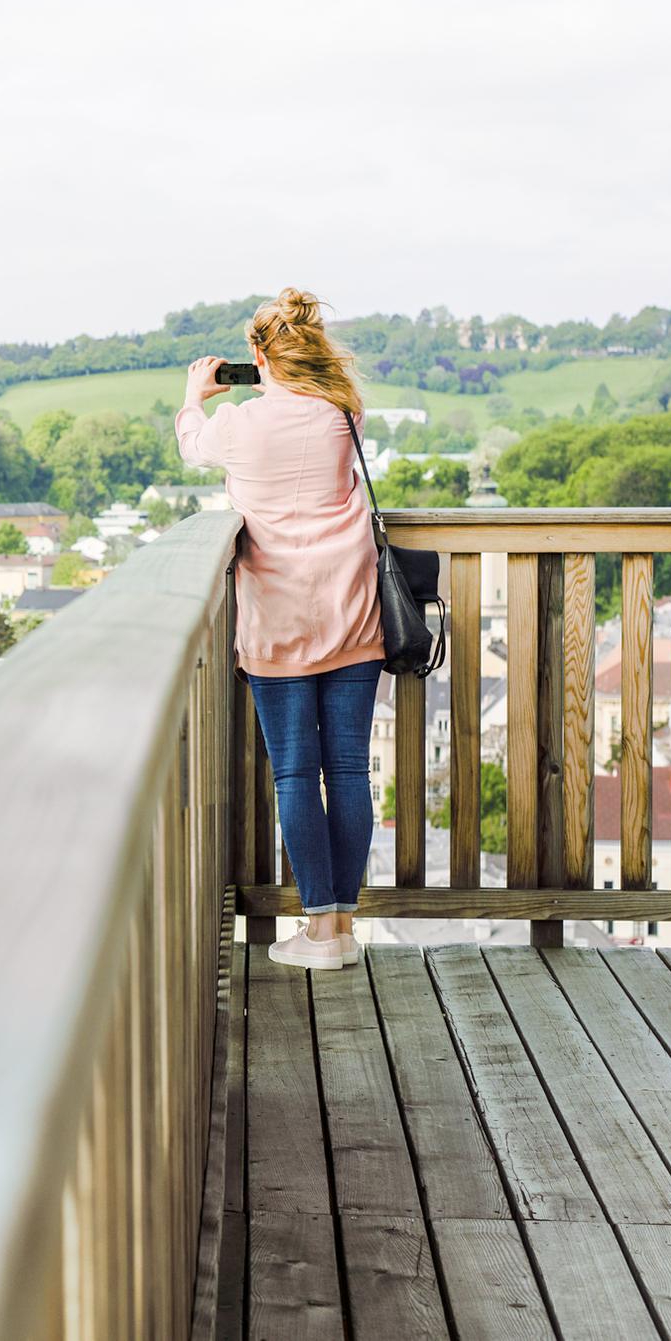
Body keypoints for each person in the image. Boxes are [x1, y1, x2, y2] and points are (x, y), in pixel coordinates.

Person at [175, 289, 383, 971]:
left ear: (258, 355)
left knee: (295, 770)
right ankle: (342, 925)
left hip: (277, 618)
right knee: (348, 767)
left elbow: (191, 447)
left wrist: (193, 393)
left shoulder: (237, 423)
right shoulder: (342, 413)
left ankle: (319, 929)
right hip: (351, 608)